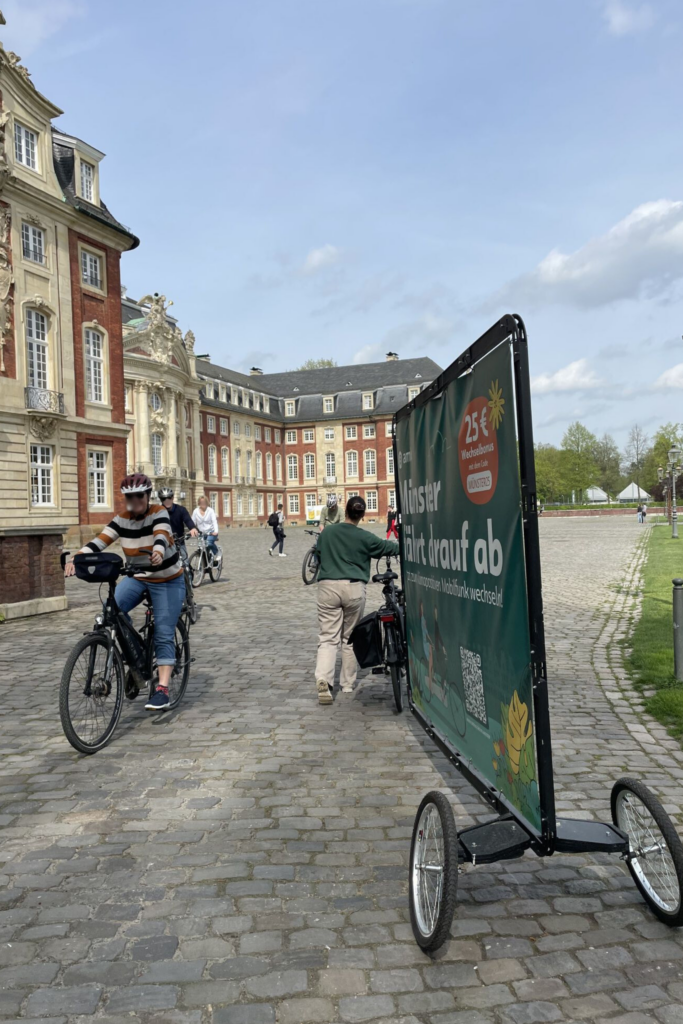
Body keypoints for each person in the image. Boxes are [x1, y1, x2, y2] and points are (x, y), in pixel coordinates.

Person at [64, 473, 184, 711]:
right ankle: (137, 656)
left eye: (139, 495)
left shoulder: (158, 511)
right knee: (112, 613)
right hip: (138, 577)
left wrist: (158, 551)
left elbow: (162, 534)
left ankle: (162, 689)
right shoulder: (121, 519)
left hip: (167, 579)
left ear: (148, 495)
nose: (135, 500)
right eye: (130, 496)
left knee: (162, 632)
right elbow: (100, 540)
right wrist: (77, 557)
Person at [314, 495, 400, 704]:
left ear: (346, 510)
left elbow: (318, 554)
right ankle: (347, 683)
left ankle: (324, 680)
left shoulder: (328, 533)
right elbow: (390, 548)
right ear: (362, 514)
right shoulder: (365, 537)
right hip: (353, 587)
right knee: (349, 638)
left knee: (327, 638)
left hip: (327, 587)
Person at [158, 487, 197, 560]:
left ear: (172, 498)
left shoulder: (181, 509)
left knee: (185, 563)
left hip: (179, 542)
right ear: (161, 500)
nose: (167, 501)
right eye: (164, 499)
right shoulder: (158, 512)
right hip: (166, 543)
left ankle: (188, 570)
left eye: (169, 498)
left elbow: (188, 520)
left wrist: (192, 528)